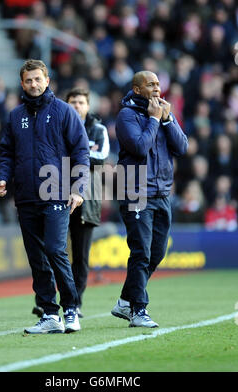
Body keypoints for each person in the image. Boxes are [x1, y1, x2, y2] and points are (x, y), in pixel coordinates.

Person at [0, 59, 90, 334]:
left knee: (54, 249)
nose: (33, 84)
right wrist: (3, 177)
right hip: (25, 196)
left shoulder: (63, 111)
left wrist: (77, 188)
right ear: (22, 84)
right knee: (36, 256)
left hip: (57, 193)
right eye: (28, 80)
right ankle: (50, 313)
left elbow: (81, 152)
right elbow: (7, 153)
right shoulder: (15, 116)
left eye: (38, 79)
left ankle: (71, 309)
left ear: (47, 81)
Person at [111, 71, 188, 328]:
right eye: (150, 85)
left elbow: (182, 147)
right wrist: (155, 120)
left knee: (156, 253)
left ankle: (125, 301)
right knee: (141, 251)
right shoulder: (126, 116)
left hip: (162, 192)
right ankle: (138, 310)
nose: (157, 88)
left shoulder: (163, 113)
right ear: (136, 89)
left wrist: (167, 121)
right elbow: (140, 147)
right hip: (135, 191)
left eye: (158, 84)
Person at [32, 87, 110, 319]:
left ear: (88, 106)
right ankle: (47, 302)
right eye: (73, 102)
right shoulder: (55, 125)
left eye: (81, 102)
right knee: (50, 250)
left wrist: (74, 153)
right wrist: (82, 152)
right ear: (66, 105)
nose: (76, 106)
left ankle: (75, 304)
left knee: (80, 256)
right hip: (56, 194)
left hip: (86, 200)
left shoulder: (99, 129)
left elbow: (101, 158)